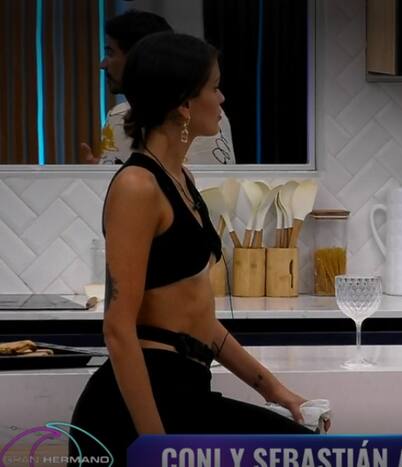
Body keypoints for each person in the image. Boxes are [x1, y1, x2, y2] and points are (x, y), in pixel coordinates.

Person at [69, 33, 316, 466]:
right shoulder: (137, 186)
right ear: (184, 103)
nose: (222, 99)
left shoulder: (183, 180)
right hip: (137, 409)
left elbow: (200, 322)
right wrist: (157, 448)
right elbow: (118, 329)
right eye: (214, 87)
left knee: (307, 453)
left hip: (186, 389)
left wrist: (275, 391)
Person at [81, 9, 235, 165]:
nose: (102, 64)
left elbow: (211, 179)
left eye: (110, 53)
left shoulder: (200, 116)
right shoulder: (117, 117)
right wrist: (102, 174)